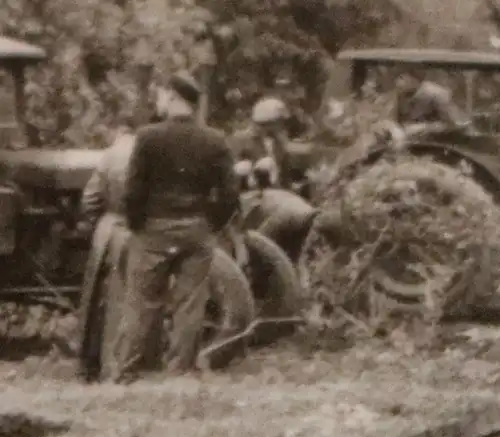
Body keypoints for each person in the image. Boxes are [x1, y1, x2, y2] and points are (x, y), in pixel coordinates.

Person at [77, 71, 206, 382]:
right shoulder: (165, 152)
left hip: (116, 229)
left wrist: (102, 223)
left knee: (107, 302)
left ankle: (102, 368)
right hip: (151, 229)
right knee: (151, 300)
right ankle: (155, 367)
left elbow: (91, 199)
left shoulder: (113, 154)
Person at [111, 104, 240, 384]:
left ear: (172, 103)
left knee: (141, 303)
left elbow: (133, 190)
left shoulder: (147, 137)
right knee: (190, 305)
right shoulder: (214, 139)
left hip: (154, 229)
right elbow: (231, 194)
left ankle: (125, 373)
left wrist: (137, 226)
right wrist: (211, 225)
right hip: (196, 229)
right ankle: (179, 373)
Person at [230, 97, 291, 190]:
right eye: (279, 121)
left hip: (275, 192)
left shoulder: (279, 142)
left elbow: (284, 172)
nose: (282, 125)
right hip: (248, 191)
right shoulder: (241, 139)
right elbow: (233, 167)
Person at [397, 77, 472, 132]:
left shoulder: (434, 93)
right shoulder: (399, 95)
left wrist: (423, 127)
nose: (399, 81)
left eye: (402, 77)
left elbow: (454, 124)